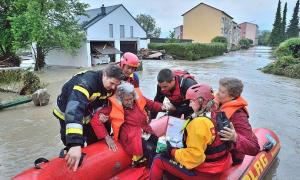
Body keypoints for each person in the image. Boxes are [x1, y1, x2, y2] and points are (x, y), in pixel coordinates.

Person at [149, 84, 232, 180]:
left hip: (205, 173)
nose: (189, 105)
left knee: (159, 159)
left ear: (201, 101)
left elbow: (195, 157)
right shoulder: (218, 113)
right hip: (220, 165)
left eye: (192, 101)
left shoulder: (199, 123)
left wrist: (172, 151)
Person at [53, 64, 124, 171]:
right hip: (68, 115)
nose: (113, 87)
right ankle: (69, 157)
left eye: (116, 85)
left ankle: (94, 164)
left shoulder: (108, 85)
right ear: (104, 75)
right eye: (112, 83)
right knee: (72, 143)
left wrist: (102, 113)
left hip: (88, 113)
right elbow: (74, 111)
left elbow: (104, 99)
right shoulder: (85, 84)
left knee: (94, 139)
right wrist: (75, 143)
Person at [90, 82, 170, 166]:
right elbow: (95, 120)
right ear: (120, 98)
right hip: (131, 137)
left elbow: (152, 104)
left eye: (131, 99)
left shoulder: (138, 101)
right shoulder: (113, 108)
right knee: (152, 149)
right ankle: (153, 169)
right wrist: (107, 138)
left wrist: (163, 107)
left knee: (162, 146)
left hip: (145, 131)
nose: (130, 102)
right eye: (127, 100)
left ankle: (164, 164)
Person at [215, 77, 260, 165]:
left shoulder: (238, 115)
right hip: (218, 147)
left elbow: (254, 148)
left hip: (232, 155)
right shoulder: (219, 101)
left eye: (222, 92)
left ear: (232, 96)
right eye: (219, 90)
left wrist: (235, 137)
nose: (218, 94)